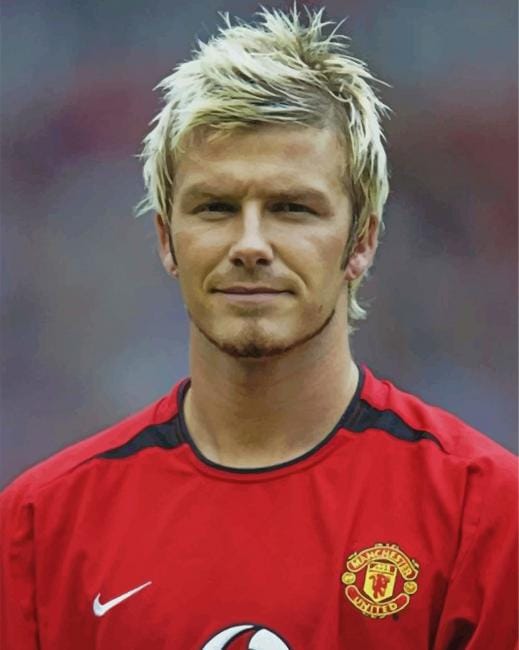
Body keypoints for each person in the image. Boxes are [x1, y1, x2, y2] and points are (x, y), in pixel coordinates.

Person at [1, 6, 517, 649]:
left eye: (292, 208)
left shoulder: (480, 512)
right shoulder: (42, 524)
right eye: (216, 208)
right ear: (166, 239)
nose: (250, 244)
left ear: (362, 240)